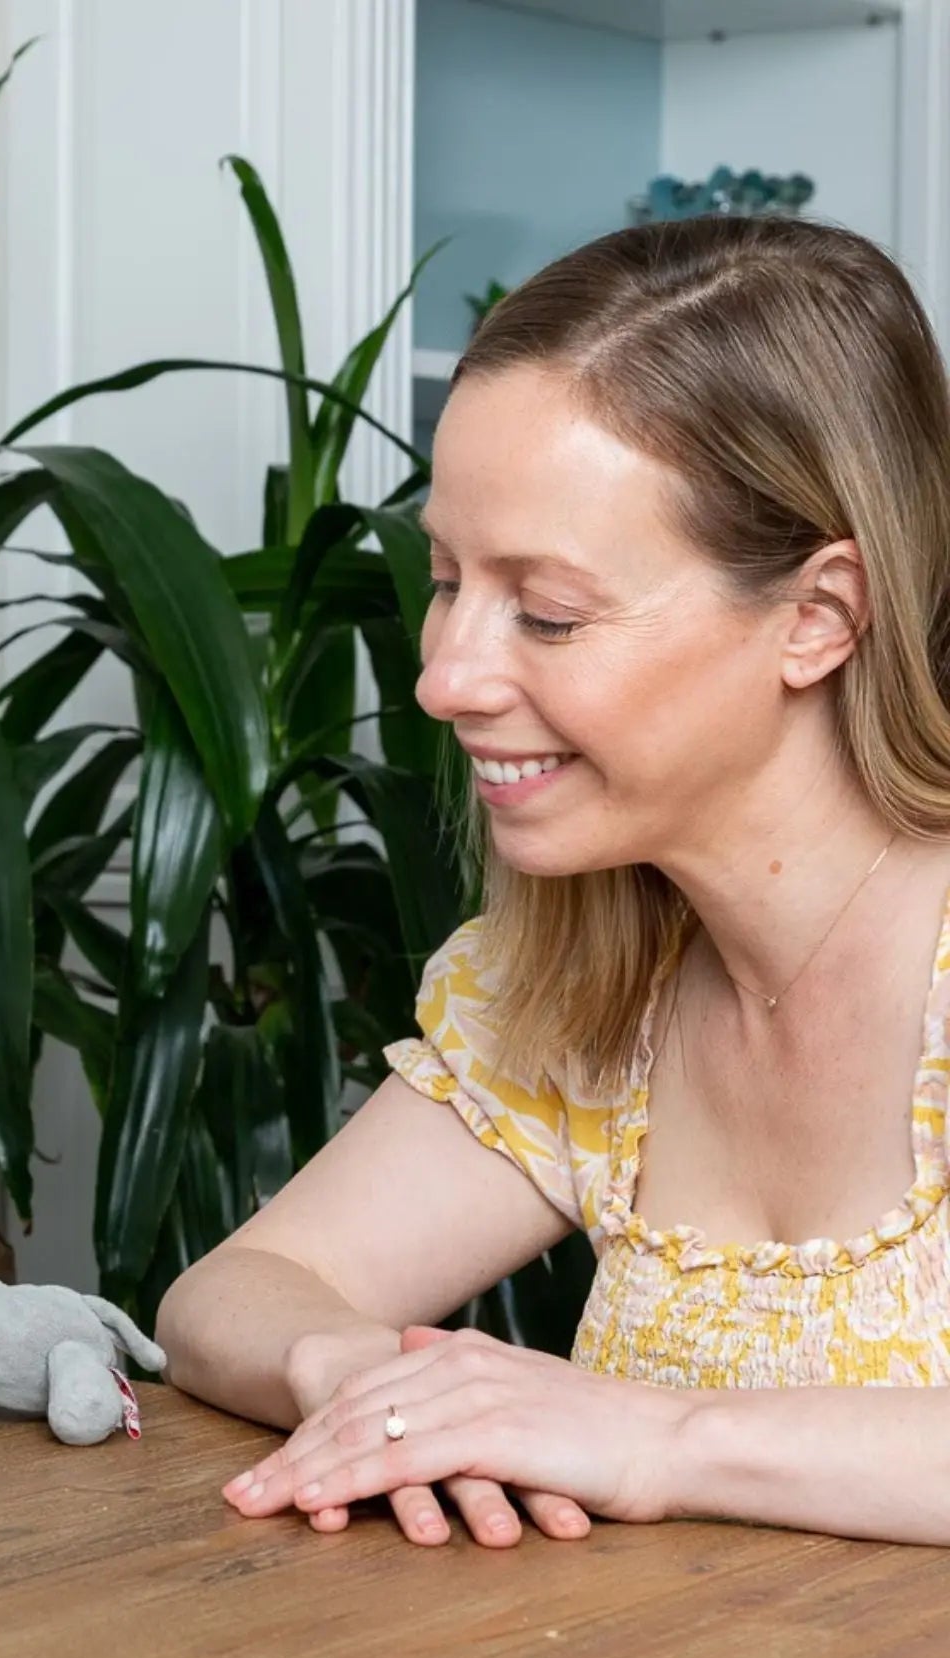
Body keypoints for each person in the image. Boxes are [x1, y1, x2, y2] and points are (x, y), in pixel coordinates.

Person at [158, 213, 950, 1549]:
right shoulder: (592, 981)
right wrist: (358, 1379)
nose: (443, 679)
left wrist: (652, 1436)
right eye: (448, 579)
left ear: (818, 618)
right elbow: (239, 1293)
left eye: (550, 613)